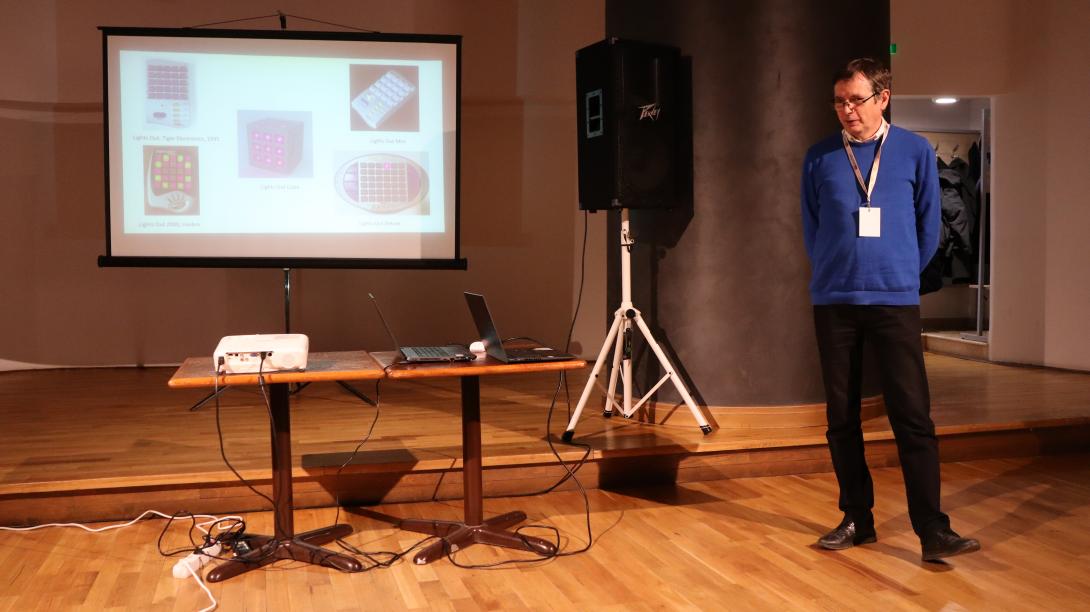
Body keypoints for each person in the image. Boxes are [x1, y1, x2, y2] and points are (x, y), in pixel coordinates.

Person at [799, 58, 980, 562]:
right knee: (841, 417)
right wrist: (836, 269)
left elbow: (930, 226)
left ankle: (932, 529)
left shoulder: (915, 150)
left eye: (856, 100)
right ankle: (857, 518)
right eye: (839, 101)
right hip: (835, 300)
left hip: (894, 299)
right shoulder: (818, 156)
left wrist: (900, 273)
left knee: (913, 416)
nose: (847, 110)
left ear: (883, 98)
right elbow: (812, 228)